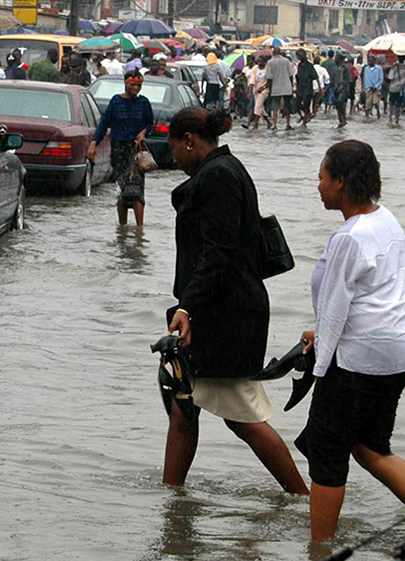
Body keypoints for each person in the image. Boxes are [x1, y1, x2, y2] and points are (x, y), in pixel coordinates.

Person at [162, 106, 309, 495]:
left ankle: (303, 500)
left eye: (175, 147)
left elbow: (218, 251)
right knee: (184, 405)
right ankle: (171, 501)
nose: (173, 156)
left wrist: (187, 307)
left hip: (223, 314)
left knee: (243, 416)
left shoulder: (218, 177)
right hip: (220, 307)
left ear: (190, 141)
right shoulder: (224, 169)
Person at [296, 140, 405, 541]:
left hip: (356, 361)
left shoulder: (349, 237)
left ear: (340, 183)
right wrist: (319, 330)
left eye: (322, 178)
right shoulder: (386, 220)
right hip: (393, 353)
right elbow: (377, 293)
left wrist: (321, 365)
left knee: (326, 455)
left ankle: (320, 549)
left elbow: (339, 304)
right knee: (371, 446)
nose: (318, 185)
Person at [87, 70, 153, 227]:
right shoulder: (115, 102)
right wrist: (94, 143)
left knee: (136, 190)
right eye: (133, 85)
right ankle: (122, 228)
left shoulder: (144, 103)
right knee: (122, 191)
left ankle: (139, 230)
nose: (136, 88)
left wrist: (143, 132)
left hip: (136, 152)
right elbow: (104, 124)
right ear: (126, 83)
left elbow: (149, 124)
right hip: (118, 151)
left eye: (139, 85)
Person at [265, 46, 294, 130]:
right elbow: (291, 75)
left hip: (276, 88)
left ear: (273, 53)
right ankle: (288, 124)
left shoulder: (270, 62)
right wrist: (291, 86)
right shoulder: (286, 61)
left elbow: (269, 77)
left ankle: (275, 125)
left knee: (275, 108)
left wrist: (270, 90)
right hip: (287, 87)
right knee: (287, 107)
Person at [294, 49, 318, 129]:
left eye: (299, 56)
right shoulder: (299, 65)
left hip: (308, 88)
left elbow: (315, 77)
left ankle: (304, 122)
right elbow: (297, 77)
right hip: (300, 88)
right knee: (297, 103)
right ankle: (304, 115)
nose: (298, 57)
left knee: (306, 105)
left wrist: (320, 89)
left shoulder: (309, 65)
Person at [362, 55, 384, 120]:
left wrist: (376, 86)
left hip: (376, 89)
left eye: (371, 61)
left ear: (374, 61)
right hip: (368, 88)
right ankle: (367, 117)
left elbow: (381, 79)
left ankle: (378, 113)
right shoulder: (366, 69)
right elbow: (365, 79)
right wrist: (363, 89)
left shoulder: (379, 69)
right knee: (367, 104)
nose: (370, 62)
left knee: (376, 103)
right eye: (369, 61)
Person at [333, 53, 351, 128]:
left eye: (336, 58)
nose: (335, 60)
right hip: (336, 88)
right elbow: (333, 79)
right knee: (337, 105)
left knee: (340, 102)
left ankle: (344, 118)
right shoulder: (335, 68)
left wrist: (342, 86)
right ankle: (340, 120)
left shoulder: (345, 68)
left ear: (339, 59)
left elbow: (347, 79)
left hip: (343, 89)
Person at [389, 54, 405, 125]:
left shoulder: (394, 67)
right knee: (398, 105)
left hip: (393, 87)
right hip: (401, 89)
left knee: (391, 104)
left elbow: (390, 77)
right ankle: (397, 121)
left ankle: (390, 119)